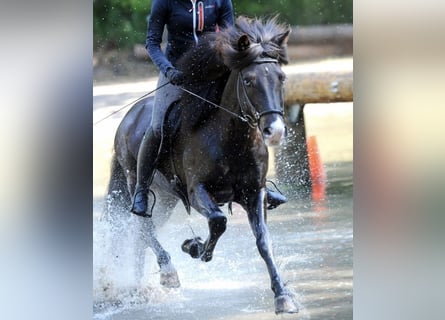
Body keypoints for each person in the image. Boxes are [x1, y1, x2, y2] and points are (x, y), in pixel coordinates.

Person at [131, 0, 287, 217]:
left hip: (213, 70)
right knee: (158, 126)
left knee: (247, 112)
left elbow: (230, 37)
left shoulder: (220, 1)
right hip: (177, 72)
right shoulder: (164, 2)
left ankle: (259, 183)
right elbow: (152, 43)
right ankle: (141, 190)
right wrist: (168, 70)